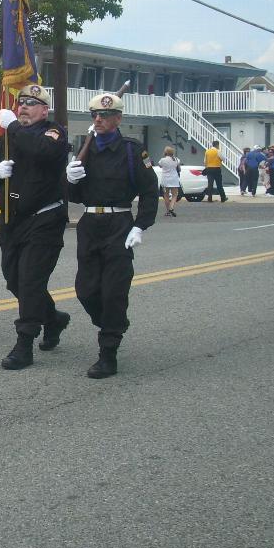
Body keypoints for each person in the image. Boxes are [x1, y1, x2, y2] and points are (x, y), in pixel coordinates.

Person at [65, 92, 159, 379]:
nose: (99, 119)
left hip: (119, 224)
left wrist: (140, 225)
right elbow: (75, 196)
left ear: (118, 119)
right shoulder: (85, 149)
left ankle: (108, 352)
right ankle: (112, 322)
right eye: (95, 115)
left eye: (105, 115)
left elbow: (149, 190)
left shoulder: (132, 150)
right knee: (86, 290)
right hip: (90, 224)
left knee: (114, 291)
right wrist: (69, 179)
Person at [0, 83, 72, 369]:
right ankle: (53, 318)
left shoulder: (53, 133)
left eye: (31, 104)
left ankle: (24, 344)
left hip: (44, 219)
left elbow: (42, 152)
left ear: (44, 110)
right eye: (21, 103)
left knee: (31, 280)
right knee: (14, 280)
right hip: (12, 219)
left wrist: (13, 128)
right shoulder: (7, 138)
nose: (23, 107)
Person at [158, 146, 182, 217]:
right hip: (174, 179)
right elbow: (179, 169)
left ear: (165, 152)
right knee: (175, 195)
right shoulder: (176, 159)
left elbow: (160, 166)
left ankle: (168, 211)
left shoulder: (162, 160)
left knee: (166, 195)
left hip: (165, 180)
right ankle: (171, 207)